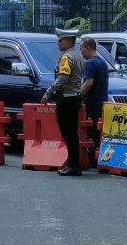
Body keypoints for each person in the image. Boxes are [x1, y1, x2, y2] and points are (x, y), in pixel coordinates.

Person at [41, 28, 84, 176]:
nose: (58, 43)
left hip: (67, 98)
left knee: (69, 134)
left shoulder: (67, 57)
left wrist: (48, 92)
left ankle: (73, 166)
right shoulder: (78, 56)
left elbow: (63, 78)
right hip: (74, 97)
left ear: (68, 41)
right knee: (72, 133)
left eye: (60, 41)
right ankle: (74, 164)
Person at [79, 37, 108, 167]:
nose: (81, 52)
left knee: (90, 131)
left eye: (82, 49)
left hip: (91, 103)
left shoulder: (90, 63)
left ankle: (91, 158)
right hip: (102, 102)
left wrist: (77, 96)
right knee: (98, 132)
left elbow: (88, 83)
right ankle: (98, 158)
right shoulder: (103, 63)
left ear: (89, 48)